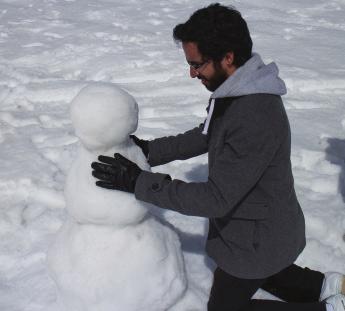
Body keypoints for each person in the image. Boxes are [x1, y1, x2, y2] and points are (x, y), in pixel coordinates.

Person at [91, 3, 345, 311]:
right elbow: (207, 134)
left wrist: (139, 182)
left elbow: (215, 199)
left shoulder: (253, 114)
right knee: (265, 271)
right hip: (259, 226)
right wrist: (149, 151)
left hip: (257, 237)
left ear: (228, 57)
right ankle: (325, 286)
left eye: (198, 64)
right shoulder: (236, 90)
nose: (192, 73)